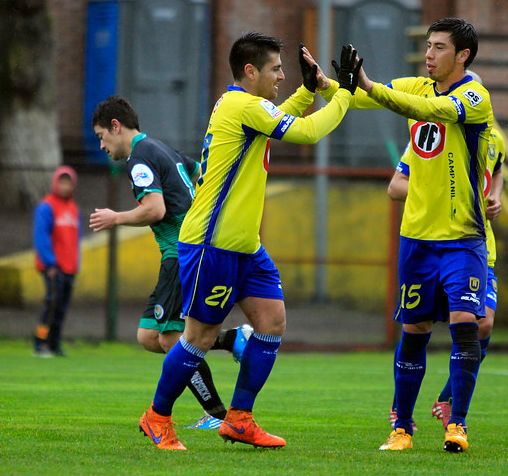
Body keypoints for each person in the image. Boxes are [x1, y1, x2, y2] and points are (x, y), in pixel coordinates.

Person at [137, 31, 361, 450]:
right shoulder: (242, 105)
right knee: (199, 338)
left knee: (272, 322)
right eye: (276, 69)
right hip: (212, 244)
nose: (281, 76)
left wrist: (308, 90)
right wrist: (343, 93)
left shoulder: (244, 105)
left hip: (244, 245)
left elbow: (279, 118)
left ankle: (239, 419)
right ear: (250, 71)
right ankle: (157, 417)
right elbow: (307, 133)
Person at [310, 17, 492, 452]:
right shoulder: (416, 85)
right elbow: (358, 99)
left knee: (467, 325)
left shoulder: (474, 96)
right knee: (415, 330)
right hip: (417, 239)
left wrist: (369, 85)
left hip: (463, 236)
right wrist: (324, 84)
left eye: (439, 47)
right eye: (427, 46)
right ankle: (402, 429)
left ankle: (458, 425)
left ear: (462, 55)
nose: (428, 54)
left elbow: (427, 111)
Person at [90, 95, 252, 431]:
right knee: (149, 335)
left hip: (181, 256)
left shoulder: (139, 159)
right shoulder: (160, 148)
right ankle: (231, 339)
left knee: (171, 339)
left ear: (115, 126)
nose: (102, 146)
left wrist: (115, 217)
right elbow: (199, 172)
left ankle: (218, 415)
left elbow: (155, 209)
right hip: (188, 252)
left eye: (101, 136)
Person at [386, 79, 505, 430]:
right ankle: (400, 414)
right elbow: (395, 187)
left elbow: (494, 174)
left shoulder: (491, 140)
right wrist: (434, 191)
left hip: (476, 243)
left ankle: (450, 403)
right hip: (428, 240)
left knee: (481, 323)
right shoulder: (429, 135)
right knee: (418, 327)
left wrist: (495, 198)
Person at [33, 165, 81, 357]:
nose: (65, 187)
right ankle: (40, 342)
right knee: (51, 306)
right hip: (54, 268)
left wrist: (75, 265)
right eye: (61, 182)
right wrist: (49, 263)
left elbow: (75, 240)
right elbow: (41, 237)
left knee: (61, 308)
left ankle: (54, 343)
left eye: (68, 183)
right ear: (55, 183)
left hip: (69, 268)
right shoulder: (46, 206)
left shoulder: (73, 209)